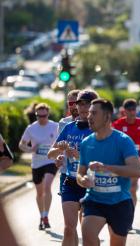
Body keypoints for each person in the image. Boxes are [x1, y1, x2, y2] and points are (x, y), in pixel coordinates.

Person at [77, 99, 140, 246]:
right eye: (89, 113)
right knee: (87, 235)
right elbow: (80, 173)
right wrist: (83, 180)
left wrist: (107, 168)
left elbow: (137, 170)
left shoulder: (123, 141)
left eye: (94, 113)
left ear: (107, 116)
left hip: (119, 202)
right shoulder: (86, 143)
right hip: (94, 200)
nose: (89, 117)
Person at [48, 90, 98, 246]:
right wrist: (60, 150)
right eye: (80, 104)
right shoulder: (69, 127)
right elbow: (50, 154)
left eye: (87, 104)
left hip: (91, 184)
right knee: (69, 229)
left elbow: (103, 158)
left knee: (88, 232)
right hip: (70, 181)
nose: (83, 108)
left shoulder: (99, 129)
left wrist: (77, 155)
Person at [19, 103, 58, 230]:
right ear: (36, 115)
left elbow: (59, 143)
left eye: (44, 115)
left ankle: (46, 216)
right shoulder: (31, 128)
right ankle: (41, 216)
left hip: (50, 161)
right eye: (39, 116)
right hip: (36, 163)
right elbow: (21, 144)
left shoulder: (54, 126)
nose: (42, 118)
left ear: (48, 114)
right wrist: (30, 149)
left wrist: (56, 151)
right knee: (39, 192)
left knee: (47, 186)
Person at [112, 98, 140, 207]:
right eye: (129, 110)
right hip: (121, 161)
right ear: (124, 111)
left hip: (137, 160)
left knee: (132, 188)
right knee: (122, 189)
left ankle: (130, 216)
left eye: (134, 109)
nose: (132, 112)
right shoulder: (118, 124)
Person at [57, 89, 80, 196]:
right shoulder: (63, 122)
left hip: (84, 172)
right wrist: (58, 156)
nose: (74, 106)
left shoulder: (92, 123)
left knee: (84, 210)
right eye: (71, 103)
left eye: (77, 103)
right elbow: (57, 146)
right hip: (66, 172)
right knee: (69, 209)